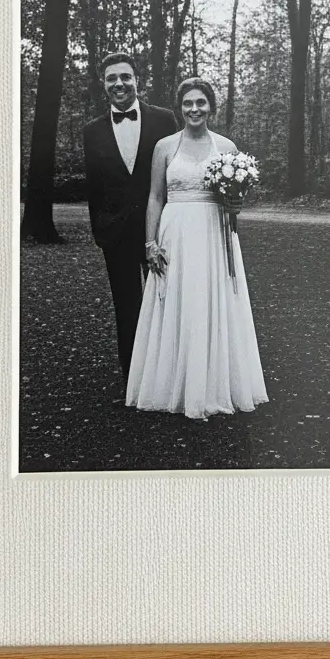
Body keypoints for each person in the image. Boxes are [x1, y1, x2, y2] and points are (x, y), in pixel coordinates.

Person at [127, 76, 268, 421]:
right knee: (179, 300)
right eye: (188, 103)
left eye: (201, 103)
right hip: (175, 232)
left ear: (211, 107)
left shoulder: (227, 148)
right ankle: (173, 382)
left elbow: (235, 201)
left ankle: (214, 384)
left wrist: (236, 204)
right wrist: (151, 242)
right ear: (180, 108)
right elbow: (155, 197)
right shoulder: (164, 147)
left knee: (212, 299)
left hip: (213, 234)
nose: (194, 109)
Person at [80, 52, 177, 385]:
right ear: (103, 84)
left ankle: (167, 370)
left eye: (125, 77)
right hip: (116, 233)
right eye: (111, 78)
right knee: (126, 305)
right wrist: (101, 231)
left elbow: (174, 175)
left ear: (137, 80)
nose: (119, 84)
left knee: (164, 298)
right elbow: (95, 187)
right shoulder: (91, 131)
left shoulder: (165, 120)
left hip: (160, 228)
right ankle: (134, 374)